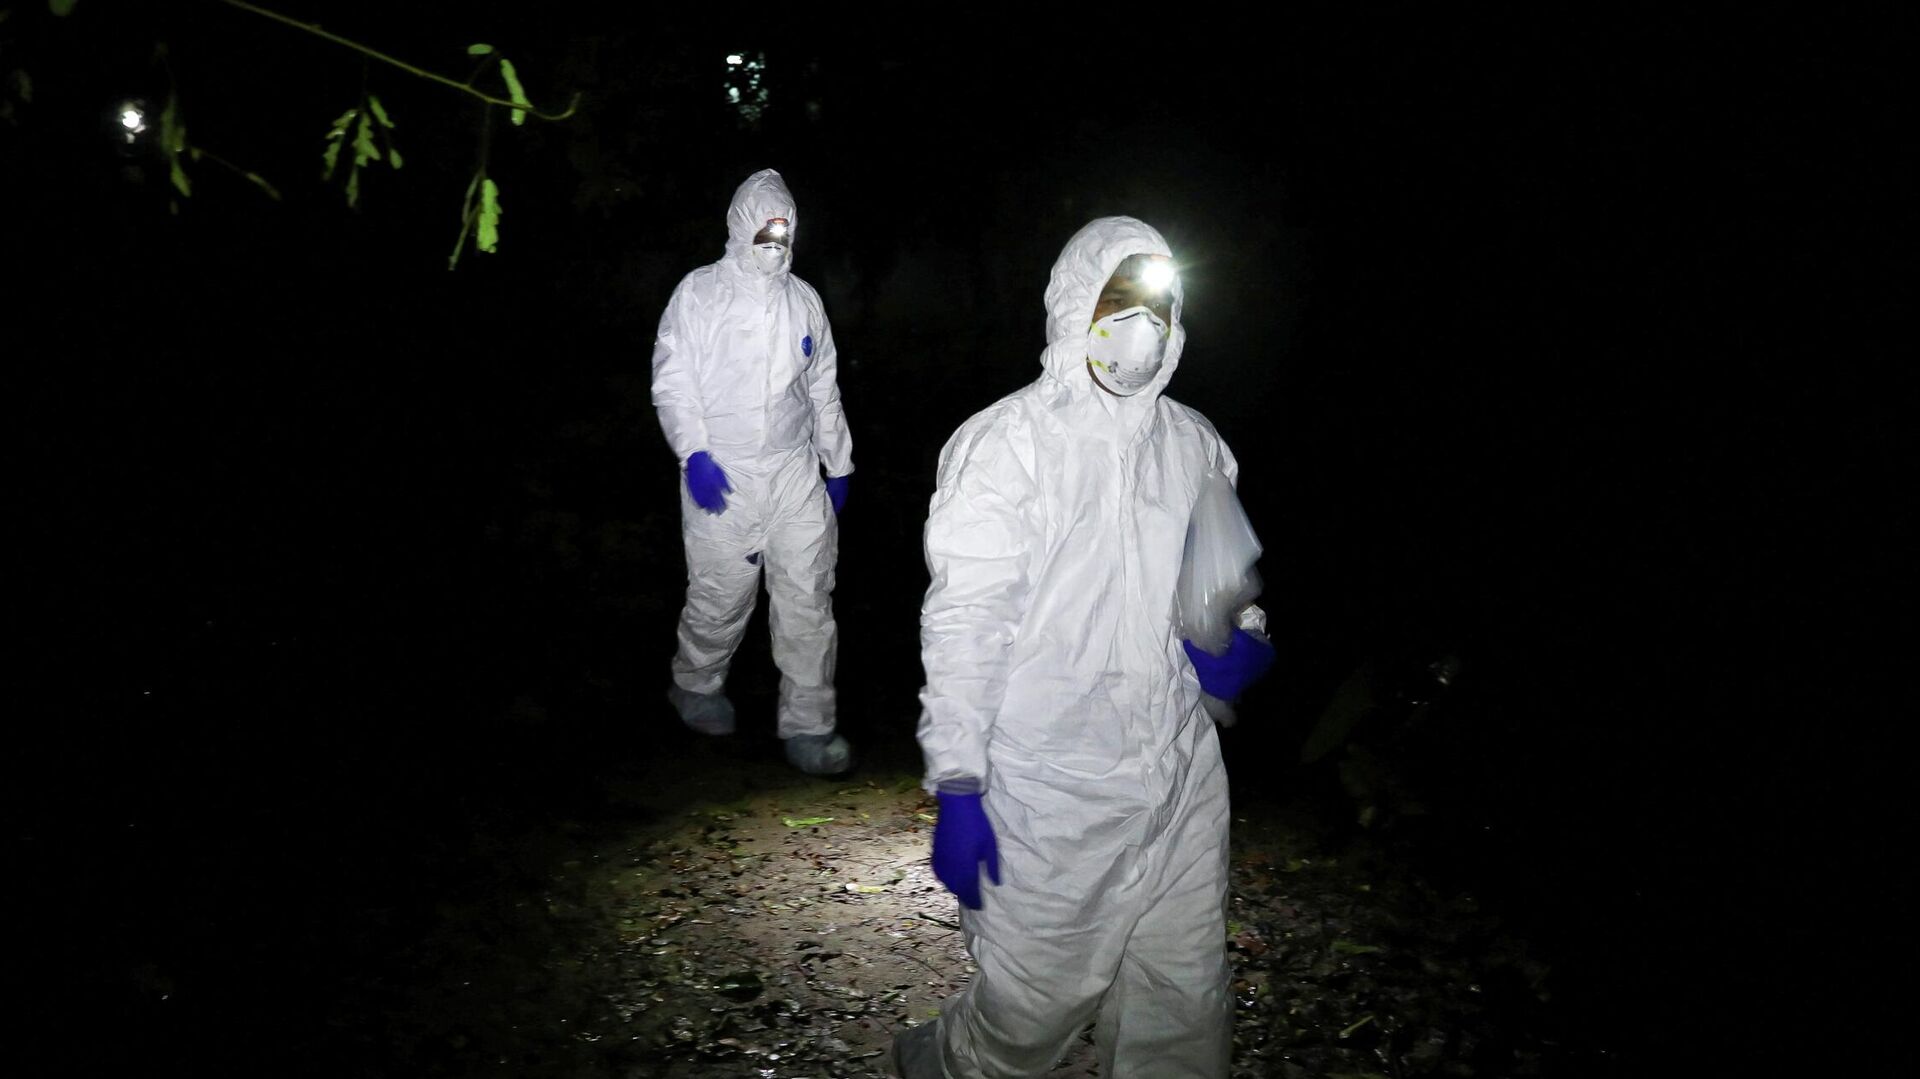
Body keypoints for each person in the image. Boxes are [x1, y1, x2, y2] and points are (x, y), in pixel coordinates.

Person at [894, 217, 1276, 1077]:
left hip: (1180, 773)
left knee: (1183, 1002)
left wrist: (1247, 644)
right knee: (1030, 1012)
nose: (1142, 323)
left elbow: (1222, 588)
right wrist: (959, 782)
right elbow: (965, 624)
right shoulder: (1007, 444)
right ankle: (944, 1060)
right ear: (1077, 305)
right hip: (1052, 789)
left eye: (1159, 305)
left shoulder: (1194, 444)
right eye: (1120, 300)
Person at [650, 168, 854, 776]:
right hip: (725, 471)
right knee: (720, 595)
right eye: (766, 227)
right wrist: (694, 453)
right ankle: (695, 685)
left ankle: (810, 726)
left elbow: (823, 387)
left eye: (785, 229)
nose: (776, 239)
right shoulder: (700, 293)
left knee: (808, 598)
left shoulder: (803, 300)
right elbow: (674, 381)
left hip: (793, 472)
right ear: (742, 225)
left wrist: (838, 462)